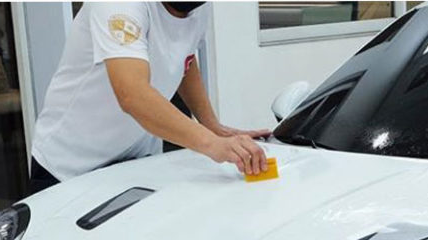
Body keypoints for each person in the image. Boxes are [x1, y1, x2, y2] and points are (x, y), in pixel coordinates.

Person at [30, 2, 270, 194]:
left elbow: (185, 59)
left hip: (136, 159)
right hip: (70, 167)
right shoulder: (120, 6)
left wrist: (213, 126)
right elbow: (132, 95)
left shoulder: (198, 9)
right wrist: (212, 144)